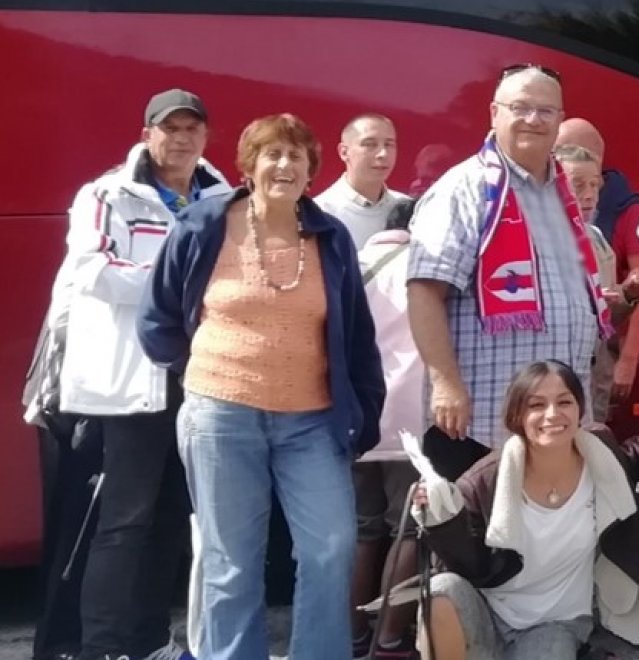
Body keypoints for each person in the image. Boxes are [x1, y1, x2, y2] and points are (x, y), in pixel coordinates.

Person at [139, 112, 386, 660]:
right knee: (232, 561)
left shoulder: (330, 237)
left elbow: (357, 336)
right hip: (221, 418)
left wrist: (364, 414)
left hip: (311, 422)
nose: (284, 165)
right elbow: (157, 319)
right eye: (272, 154)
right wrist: (206, 370)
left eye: (295, 156)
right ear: (249, 167)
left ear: (311, 170)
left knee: (330, 548)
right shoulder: (204, 225)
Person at [42, 87, 230, 660]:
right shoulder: (105, 194)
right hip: (130, 386)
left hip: (200, 379)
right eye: (170, 128)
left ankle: (151, 641)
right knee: (123, 521)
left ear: (205, 136)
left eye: (192, 128)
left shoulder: (223, 199)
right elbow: (93, 269)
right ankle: (102, 647)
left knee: (173, 516)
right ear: (148, 132)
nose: (181, 139)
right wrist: (180, 287)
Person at [408, 64, 613, 447]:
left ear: (559, 120)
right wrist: (445, 383)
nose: (533, 120)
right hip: (482, 424)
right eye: (520, 107)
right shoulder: (463, 189)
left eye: (546, 111)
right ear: (494, 113)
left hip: (557, 426)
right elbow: (424, 291)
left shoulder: (564, 195)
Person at [410, 360, 639, 660]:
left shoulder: (600, 455)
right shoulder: (486, 478)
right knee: (442, 589)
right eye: (537, 405)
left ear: (580, 409)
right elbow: (469, 565)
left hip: (557, 624)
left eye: (564, 402)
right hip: (489, 614)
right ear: (517, 415)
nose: (553, 414)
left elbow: (636, 456)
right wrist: (439, 516)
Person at [352, 198, 427, 659]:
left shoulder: (351, 263)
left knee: (361, 530)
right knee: (410, 529)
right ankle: (392, 640)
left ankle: (354, 636)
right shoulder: (423, 265)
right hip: (410, 419)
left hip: (356, 416)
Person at [553, 143, 628, 432]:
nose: (588, 195)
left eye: (595, 186)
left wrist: (625, 299)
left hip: (596, 374)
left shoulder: (595, 237)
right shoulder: (538, 239)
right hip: (558, 378)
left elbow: (611, 319)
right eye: (578, 185)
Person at [316, 113, 411, 249]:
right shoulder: (322, 213)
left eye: (389, 145)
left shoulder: (408, 208)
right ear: (344, 152)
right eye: (370, 144)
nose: (383, 154)